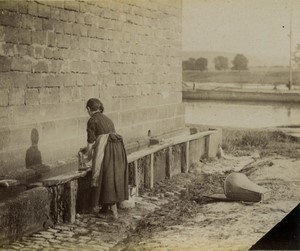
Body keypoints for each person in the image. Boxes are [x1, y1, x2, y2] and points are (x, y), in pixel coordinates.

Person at [80, 98, 128, 219]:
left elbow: (91, 142)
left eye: (87, 110)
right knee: (111, 176)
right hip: (118, 149)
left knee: (105, 176)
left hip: (106, 149)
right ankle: (106, 209)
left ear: (89, 109)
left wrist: (87, 156)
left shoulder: (92, 120)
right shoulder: (108, 119)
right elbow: (105, 136)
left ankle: (112, 211)